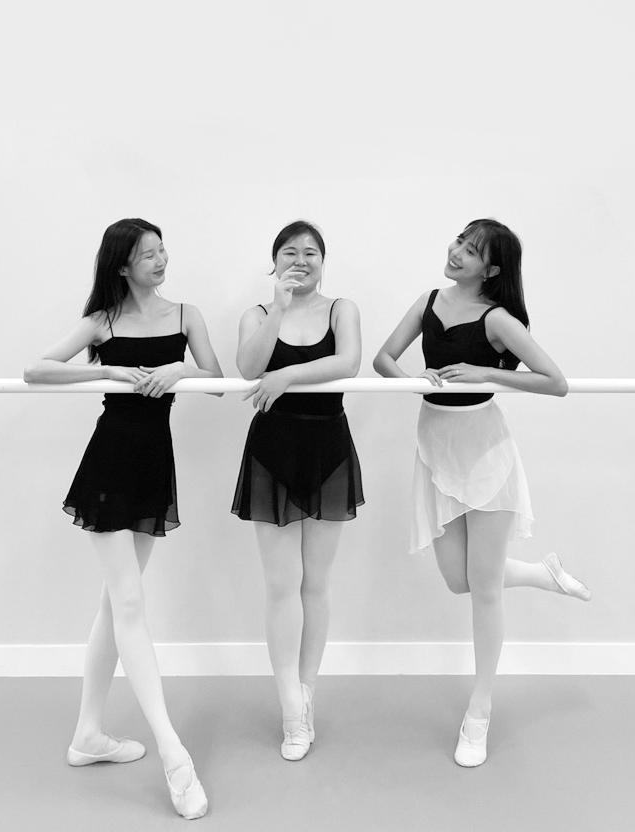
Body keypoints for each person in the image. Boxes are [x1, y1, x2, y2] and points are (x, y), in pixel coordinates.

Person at [373, 218, 590, 768]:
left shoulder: (497, 319)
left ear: (491, 270)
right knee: (458, 579)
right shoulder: (428, 301)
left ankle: (480, 710)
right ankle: (541, 574)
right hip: (435, 447)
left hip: (486, 453)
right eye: (458, 242)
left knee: (485, 589)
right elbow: (383, 358)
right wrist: (414, 382)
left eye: (470, 251)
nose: (456, 253)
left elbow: (555, 381)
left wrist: (486, 374)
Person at [24, 218, 222, 819]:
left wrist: (181, 371)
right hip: (110, 463)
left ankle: (88, 735)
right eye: (147, 254)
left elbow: (219, 381)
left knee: (116, 605)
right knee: (130, 603)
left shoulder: (186, 315)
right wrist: (107, 371)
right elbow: (37, 369)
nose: (161, 261)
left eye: (163, 251)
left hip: (154, 465)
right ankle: (173, 754)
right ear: (122, 265)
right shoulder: (102, 322)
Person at [232, 220, 364, 761]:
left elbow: (348, 362)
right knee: (282, 585)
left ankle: (306, 692)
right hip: (273, 451)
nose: (301, 260)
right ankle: (290, 705)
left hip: (328, 447)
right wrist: (280, 308)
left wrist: (286, 377)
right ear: (275, 261)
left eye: (311, 252)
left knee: (317, 584)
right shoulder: (258, 314)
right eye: (290, 252)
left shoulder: (342, 309)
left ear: (324, 261)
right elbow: (248, 366)